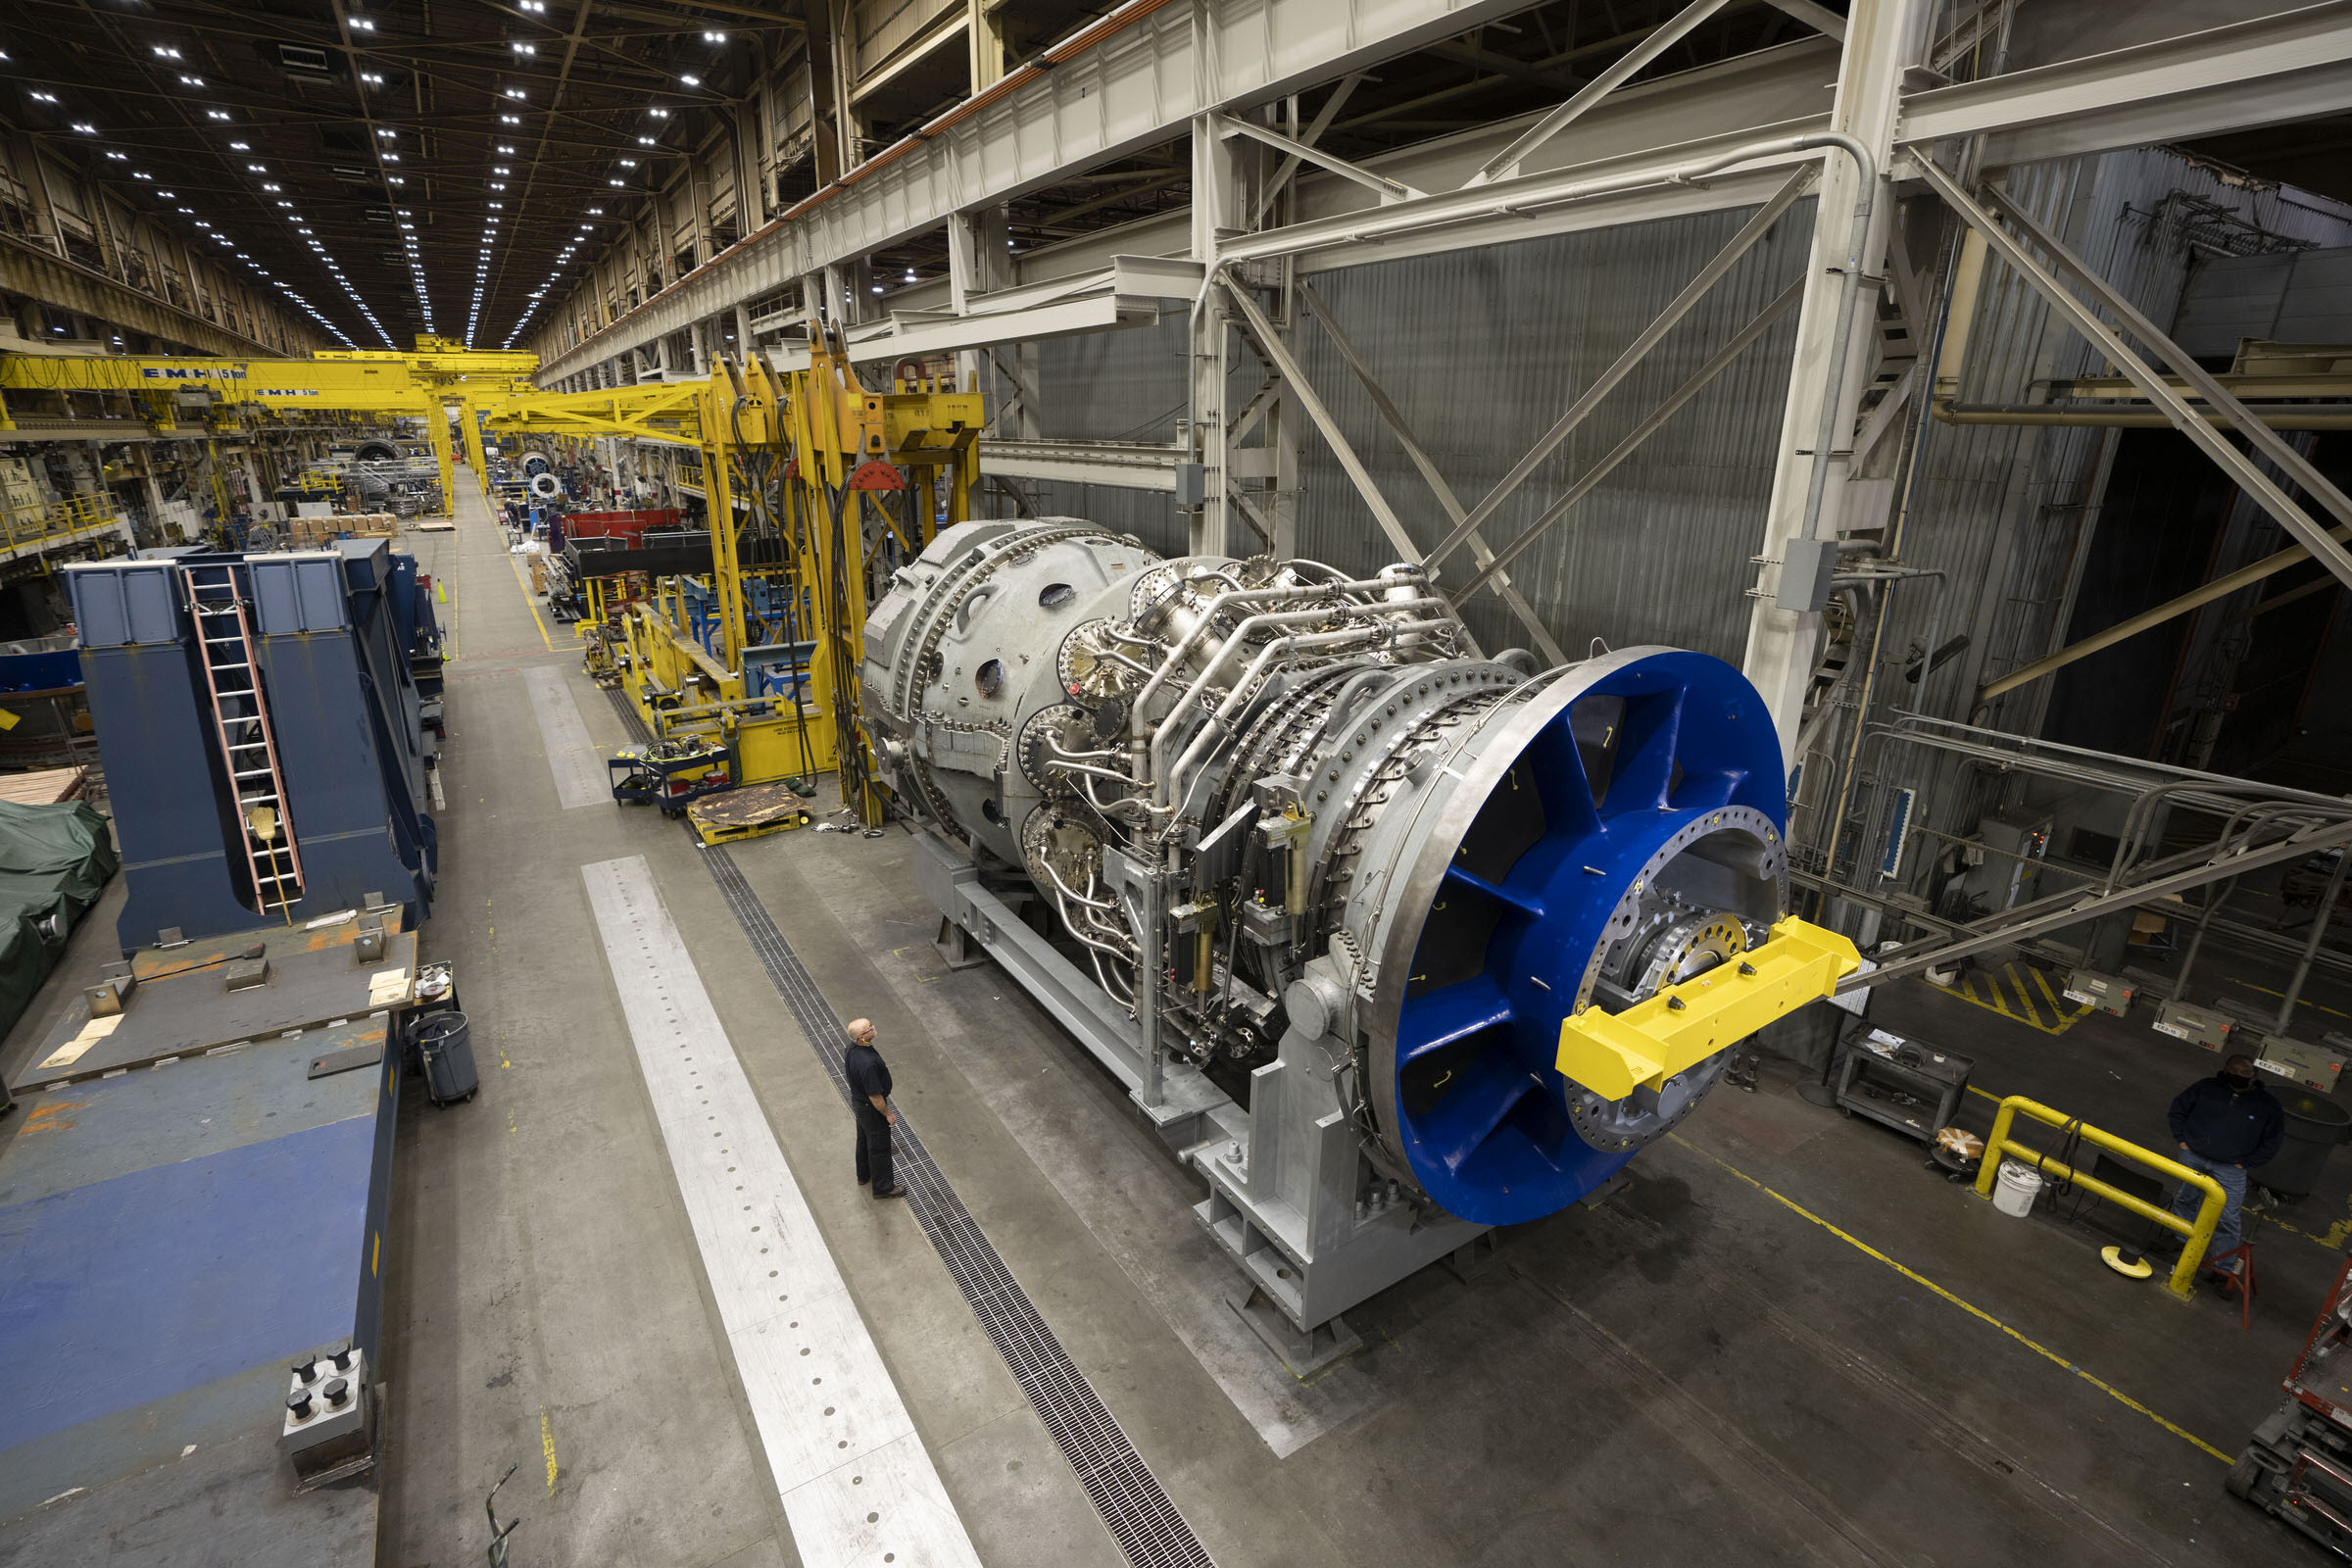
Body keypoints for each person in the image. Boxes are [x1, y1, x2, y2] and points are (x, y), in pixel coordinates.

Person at [2164, 1054, 2285, 1273]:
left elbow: (2272, 1141)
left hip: (2230, 1168)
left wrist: (2247, 1162)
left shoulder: (2267, 1106)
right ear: (2225, 1069)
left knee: (2227, 1217)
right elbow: (2178, 1110)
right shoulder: (2206, 1087)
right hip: (2194, 1156)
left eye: (2245, 1073)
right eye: (2234, 1071)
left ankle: (2223, 1268)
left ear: (2255, 1075)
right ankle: (2180, 1239)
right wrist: (2182, 1140)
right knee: (2185, 1198)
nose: (2238, 1076)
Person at [845, 1018, 904, 1200]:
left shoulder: (851, 1048)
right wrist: (888, 1114)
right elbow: (875, 1097)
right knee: (879, 1147)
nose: (874, 1028)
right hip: (871, 1109)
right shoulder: (867, 1064)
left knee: (863, 1139)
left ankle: (864, 1175)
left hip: (859, 1103)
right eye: (870, 1028)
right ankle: (883, 1187)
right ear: (862, 1037)